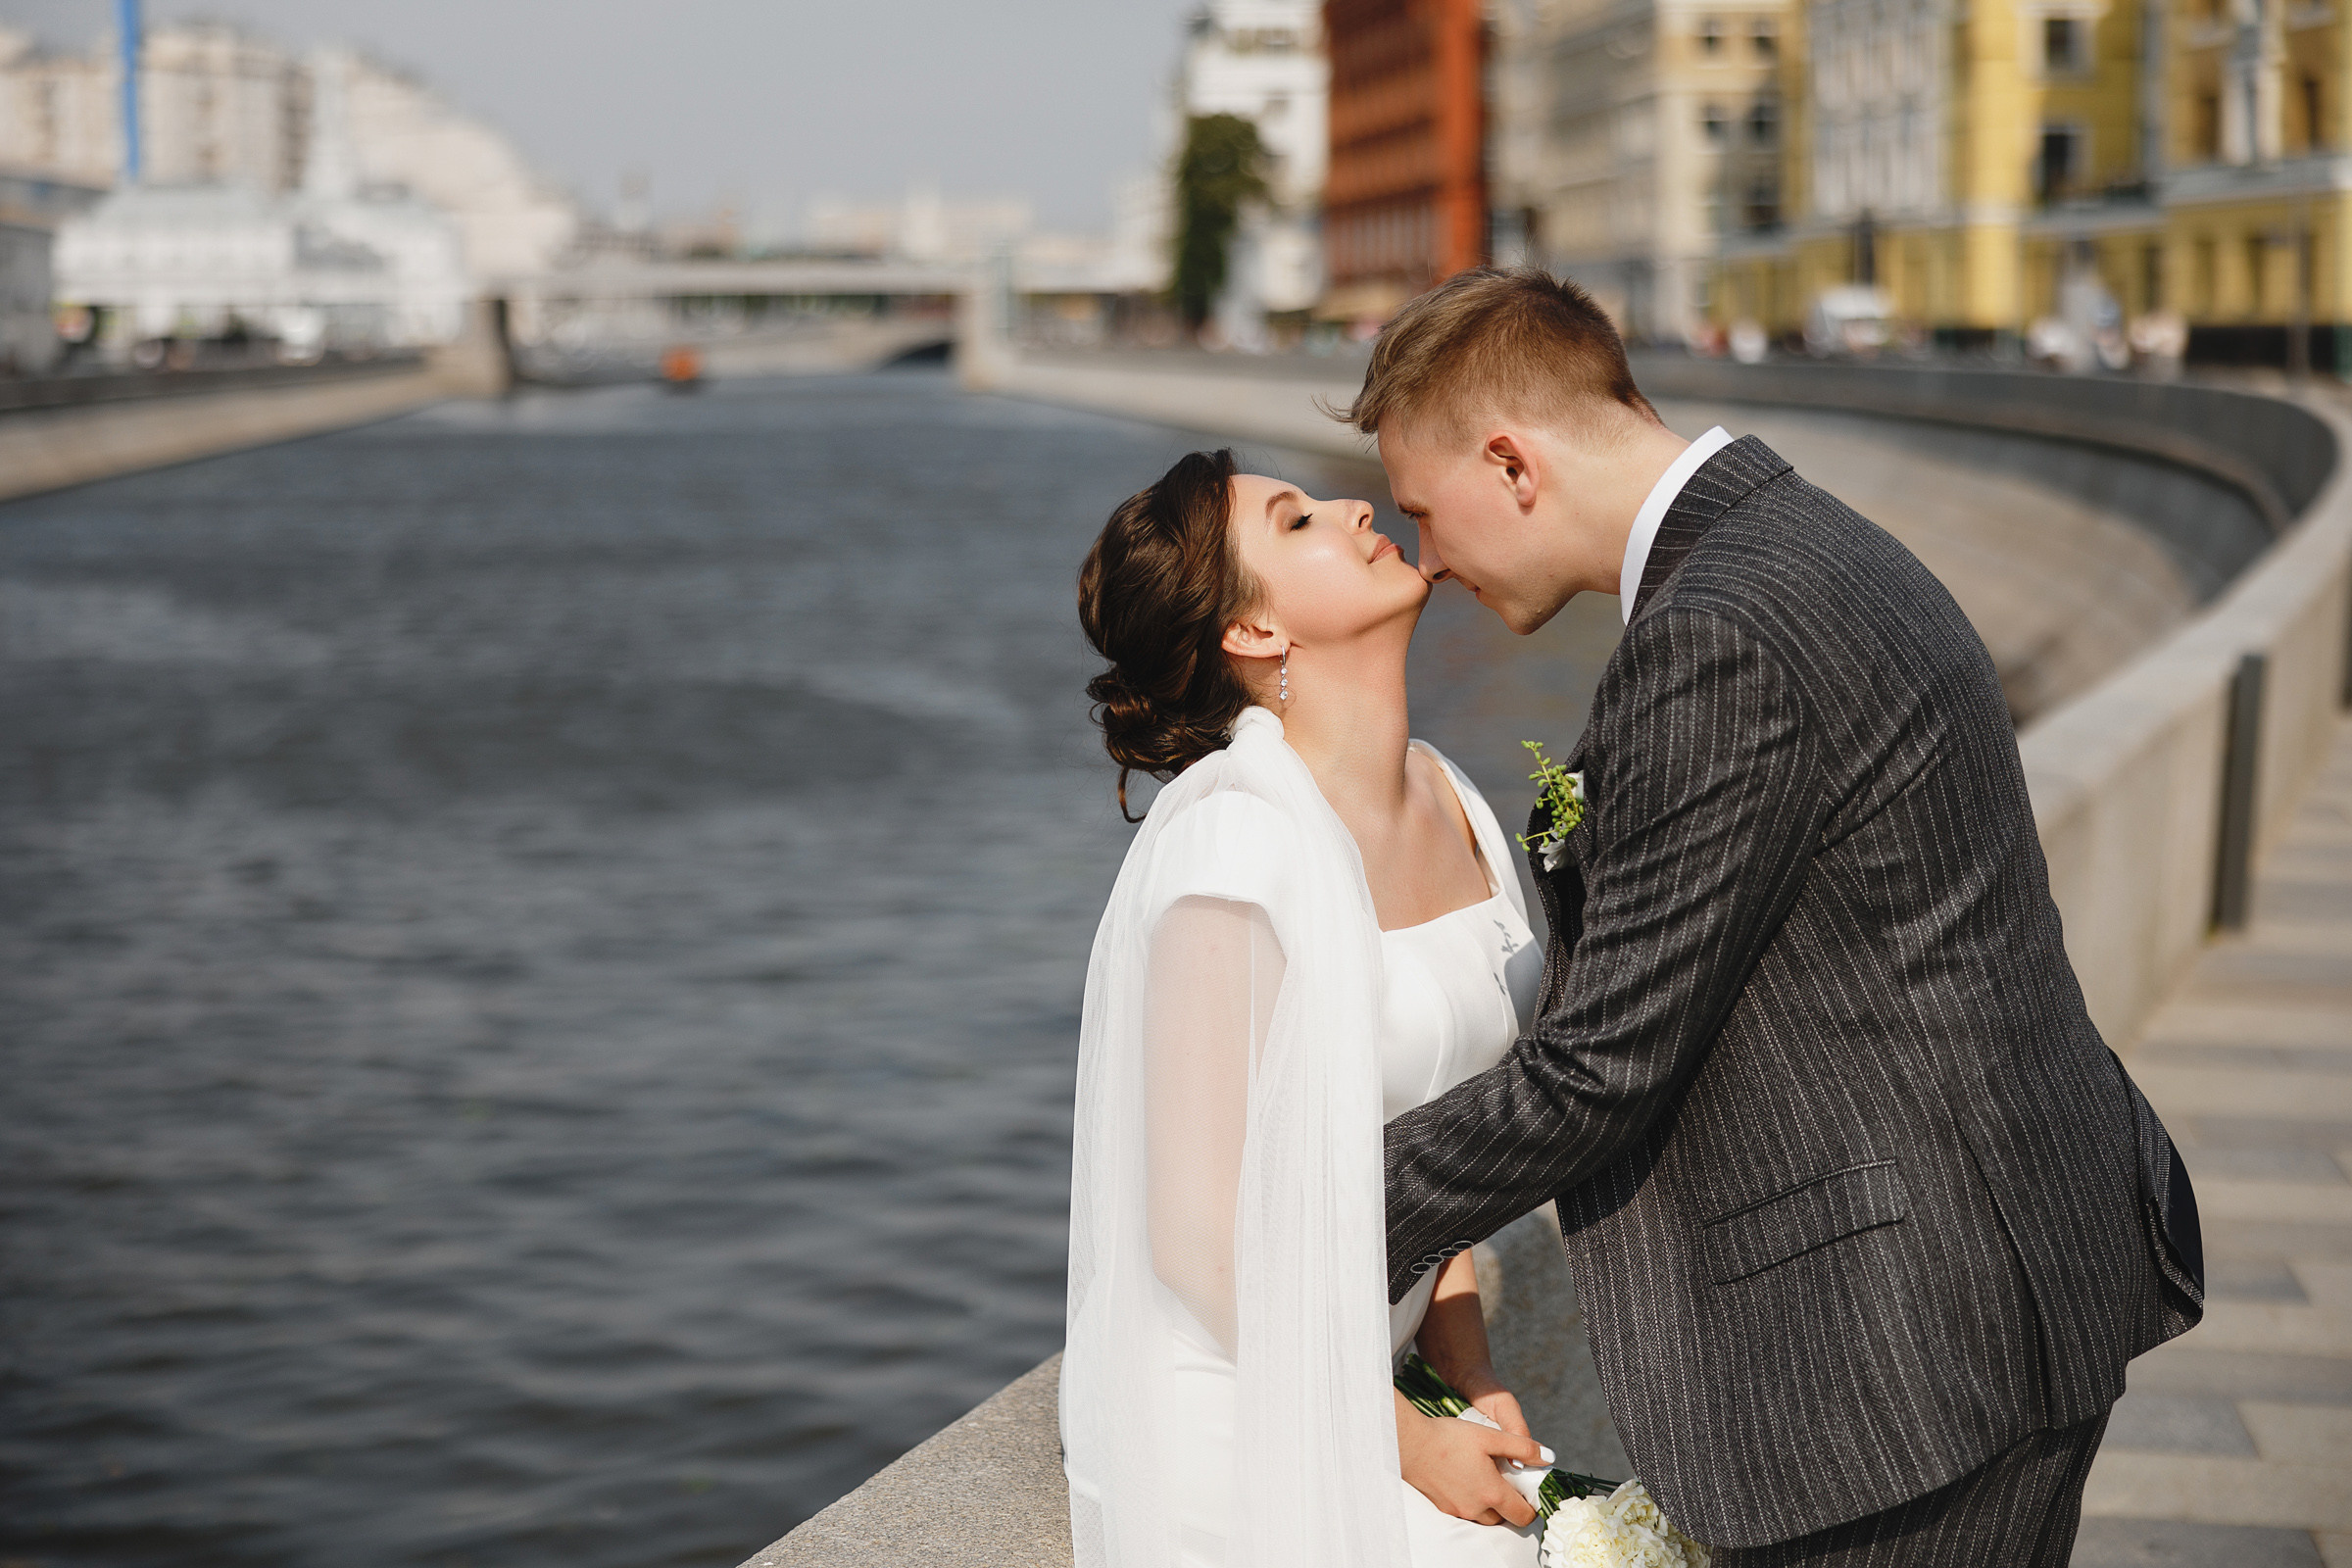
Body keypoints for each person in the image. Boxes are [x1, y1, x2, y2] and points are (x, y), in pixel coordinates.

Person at [1363, 269, 2206, 1566]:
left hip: (1903, 1361)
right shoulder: (1804, 539)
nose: (1429, 560)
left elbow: (1602, 1068)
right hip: (2010, 1271)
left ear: (1513, 462)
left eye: (1424, 510)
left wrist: (1326, 1211)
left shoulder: (1719, 635)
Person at [1061, 448, 1559, 1568]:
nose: (1352, 506)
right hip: (1238, 1399)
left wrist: (1472, 1377)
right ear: (1254, 632)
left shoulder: (1450, 795)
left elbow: (1451, 1147)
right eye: (1296, 522)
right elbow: (1198, 1243)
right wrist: (1402, 1437)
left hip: (1367, 1365)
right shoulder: (1235, 843)